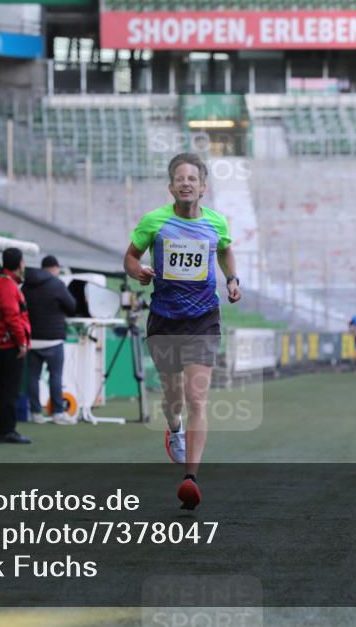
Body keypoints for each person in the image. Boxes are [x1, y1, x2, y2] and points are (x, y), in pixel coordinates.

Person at [124, 152, 241, 510]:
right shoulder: (154, 222)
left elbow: (226, 250)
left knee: (196, 399)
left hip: (204, 318)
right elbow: (129, 257)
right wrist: (138, 270)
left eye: (193, 178)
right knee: (174, 397)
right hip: (164, 317)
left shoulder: (216, 223)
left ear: (203, 187)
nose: (186, 183)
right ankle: (173, 426)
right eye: (180, 178)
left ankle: (190, 478)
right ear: (171, 186)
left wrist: (232, 279)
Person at [23, 255, 77, 425]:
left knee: (32, 377)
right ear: (53, 268)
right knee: (55, 376)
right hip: (53, 339)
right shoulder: (57, 284)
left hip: (32, 338)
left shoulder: (26, 285)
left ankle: (35, 414)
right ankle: (58, 413)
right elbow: (72, 306)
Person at [0, 247, 32, 444]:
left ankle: (1, 430)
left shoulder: (0, 283)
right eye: (22, 261)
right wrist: (21, 342)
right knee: (10, 390)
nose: (24, 265)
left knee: (4, 388)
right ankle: (6, 431)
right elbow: (12, 317)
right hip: (9, 345)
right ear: (17, 264)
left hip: (2, 344)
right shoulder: (7, 286)